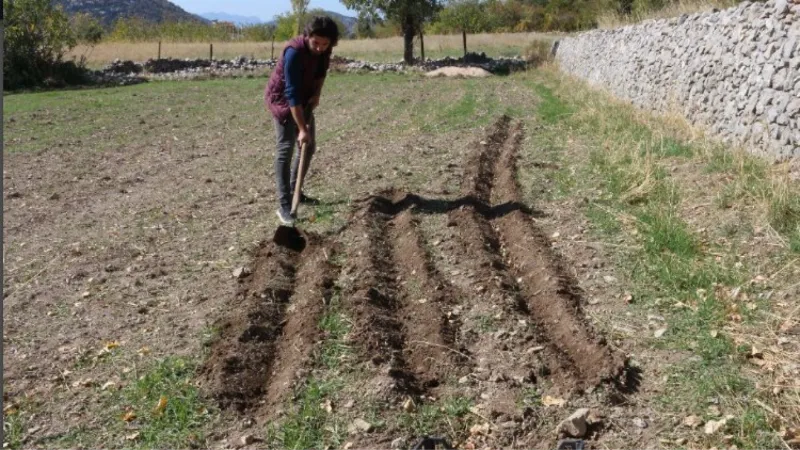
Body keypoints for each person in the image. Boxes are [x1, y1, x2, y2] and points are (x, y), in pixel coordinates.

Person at [265, 16, 339, 225]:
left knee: (310, 146)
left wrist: (317, 94)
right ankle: (285, 205)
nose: (320, 48)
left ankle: (295, 191)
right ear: (307, 36)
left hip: (304, 98)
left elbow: (322, 72)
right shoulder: (294, 52)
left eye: (325, 44)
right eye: (316, 43)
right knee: (286, 147)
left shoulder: (325, 50)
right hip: (284, 100)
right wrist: (301, 128)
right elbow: (291, 94)